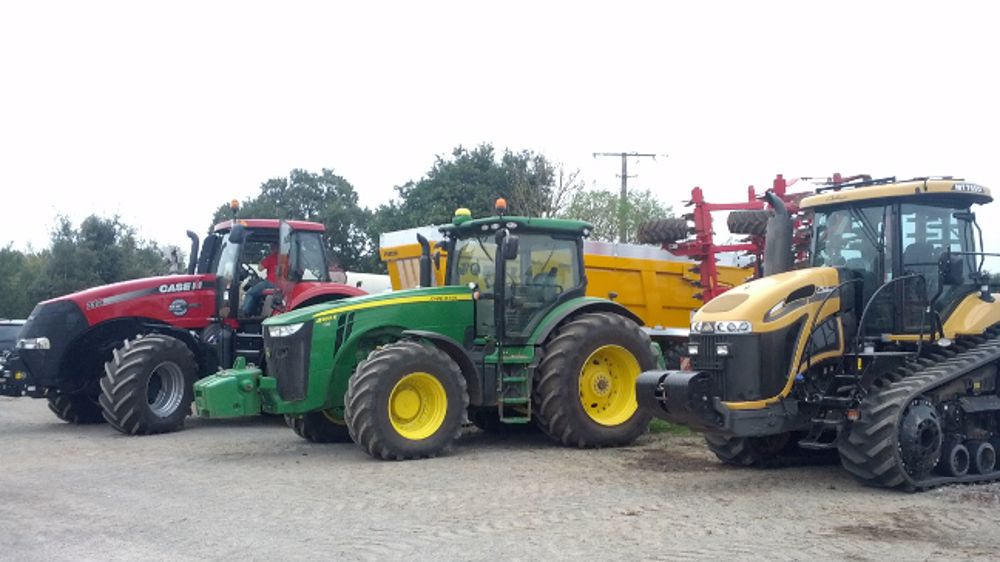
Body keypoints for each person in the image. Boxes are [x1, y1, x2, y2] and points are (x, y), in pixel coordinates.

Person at [240, 245, 278, 317]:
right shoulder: (287, 258)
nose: (271, 249)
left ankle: (244, 313)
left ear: (275, 248)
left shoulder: (272, 257)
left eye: (272, 247)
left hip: (270, 283)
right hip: (282, 285)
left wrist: (265, 257)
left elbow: (260, 268)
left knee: (250, 293)